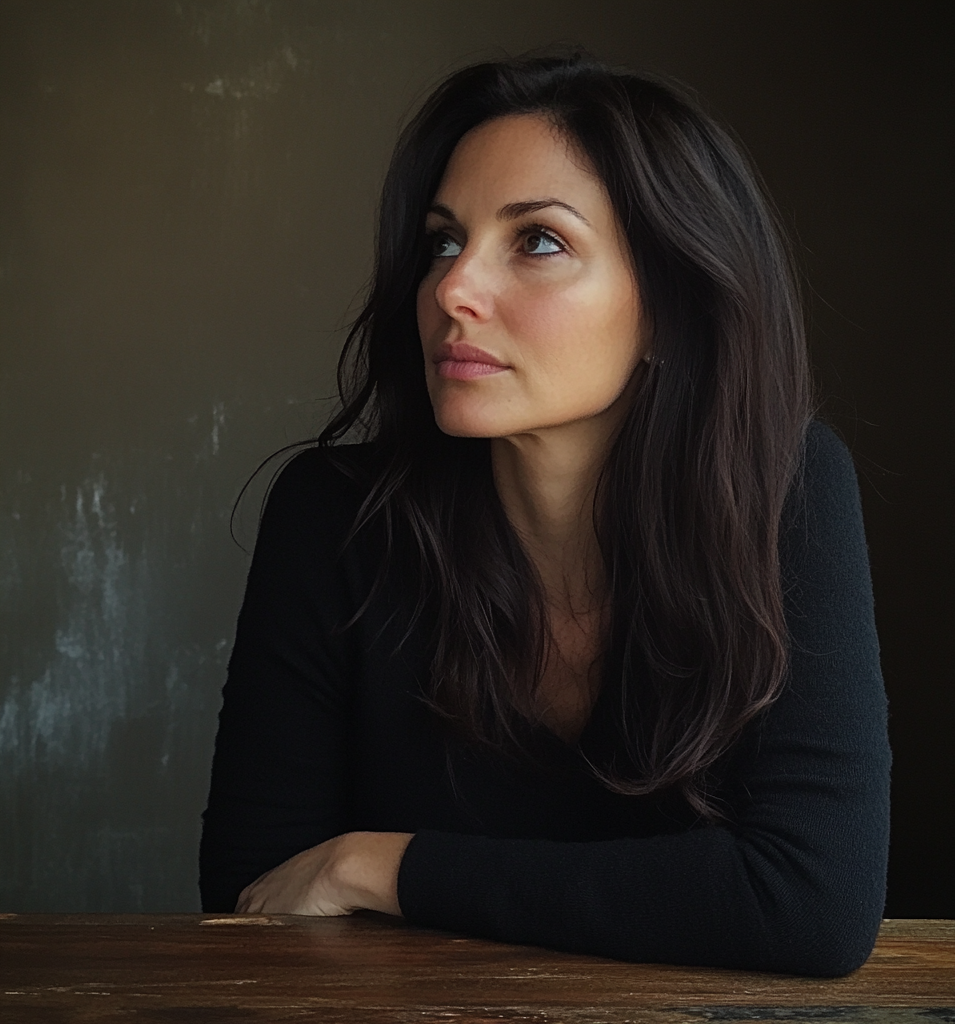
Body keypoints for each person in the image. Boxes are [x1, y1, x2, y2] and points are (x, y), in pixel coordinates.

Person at [199, 53, 891, 978]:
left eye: (538, 243)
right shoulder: (335, 519)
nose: (452, 290)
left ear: (669, 308)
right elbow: (257, 893)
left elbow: (811, 904)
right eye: (445, 241)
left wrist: (380, 865)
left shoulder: (786, 491)